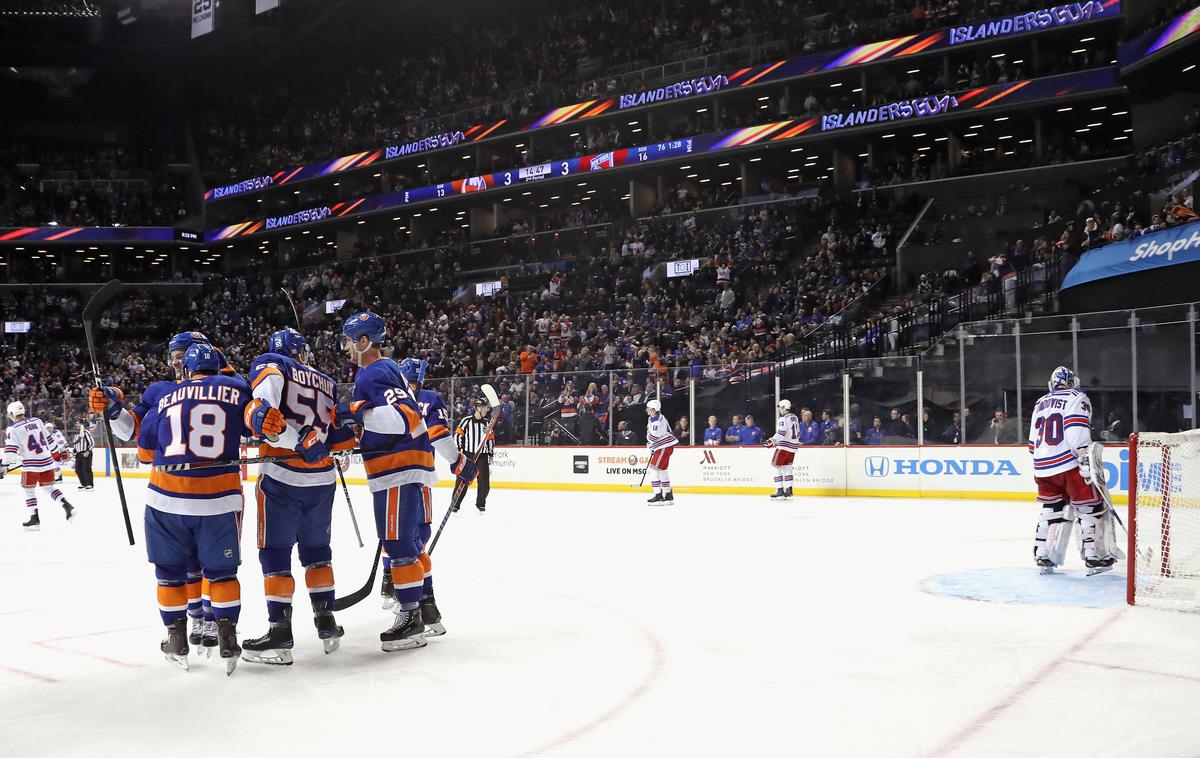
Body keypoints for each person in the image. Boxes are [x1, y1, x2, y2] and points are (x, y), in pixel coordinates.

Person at [333, 311, 475, 653]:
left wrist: (357, 414)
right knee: (408, 544)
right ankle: (423, 606)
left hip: (398, 471)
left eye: (349, 340)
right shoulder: (382, 371)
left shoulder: (376, 370)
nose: (346, 347)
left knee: (397, 545)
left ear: (364, 341)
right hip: (401, 470)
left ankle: (410, 619)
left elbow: (404, 420)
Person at [93, 330, 234, 650]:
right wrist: (113, 409)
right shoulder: (162, 389)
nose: (174, 360)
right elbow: (131, 430)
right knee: (194, 563)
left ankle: (209, 620)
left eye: (181, 354)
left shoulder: (219, 380)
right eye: (171, 355)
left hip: (206, 487)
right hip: (193, 490)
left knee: (209, 563)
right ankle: (201, 617)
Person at [132, 343, 253, 673]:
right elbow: (254, 424)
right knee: (223, 574)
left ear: (185, 370)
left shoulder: (165, 397)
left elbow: (144, 454)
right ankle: (228, 639)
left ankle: (176, 638)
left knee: (170, 575)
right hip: (219, 499)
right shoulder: (236, 388)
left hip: (168, 498)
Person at [240, 328, 357, 666]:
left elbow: (266, 413)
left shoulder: (272, 364)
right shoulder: (327, 382)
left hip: (282, 477)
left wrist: (293, 438)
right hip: (322, 480)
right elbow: (336, 438)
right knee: (317, 551)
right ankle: (326, 621)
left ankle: (280, 630)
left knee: (275, 552)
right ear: (302, 351)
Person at [382, 358, 467, 632]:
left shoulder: (389, 398)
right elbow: (439, 435)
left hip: (391, 479)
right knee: (417, 541)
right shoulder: (429, 398)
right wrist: (457, 462)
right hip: (419, 478)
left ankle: (395, 584)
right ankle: (426, 605)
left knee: (396, 537)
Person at [1028, 366, 1117, 575]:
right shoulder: (1077, 396)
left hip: (1042, 466)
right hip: (1069, 464)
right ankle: (1094, 556)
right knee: (1090, 508)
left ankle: (1044, 553)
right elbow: (1076, 430)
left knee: (1051, 509)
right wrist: (1084, 456)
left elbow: (1032, 443)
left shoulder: (1040, 402)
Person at [3, 401, 75, 530]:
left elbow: (11, 452)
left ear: (13, 414)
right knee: (49, 489)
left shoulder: (12, 429)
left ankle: (34, 519)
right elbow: (50, 440)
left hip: (31, 466)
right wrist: (57, 454)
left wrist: (4, 465)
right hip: (47, 462)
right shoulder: (37, 421)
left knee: (29, 491)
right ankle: (67, 505)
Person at [455, 397, 495, 513]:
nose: (487, 410)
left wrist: (491, 453)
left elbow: (491, 439)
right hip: (468, 455)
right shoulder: (466, 421)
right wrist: (459, 451)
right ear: (478, 408)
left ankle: (481, 504)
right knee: (462, 481)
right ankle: (455, 505)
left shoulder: (487, 423)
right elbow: (458, 435)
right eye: (484, 407)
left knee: (484, 482)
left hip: (482, 457)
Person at [644, 399, 678, 505]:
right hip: (663, 446)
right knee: (662, 470)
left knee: (654, 470)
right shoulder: (653, 418)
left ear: (654, 410)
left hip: (663, 446)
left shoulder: (657, 421)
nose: (647, 410)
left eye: (649, 409)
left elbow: (653, 437)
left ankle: (658, 495)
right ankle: (668, 495)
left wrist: (649, 438)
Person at [766, 399, 800, 500]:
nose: (779, 409)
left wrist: (772, 440)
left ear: (784, 407)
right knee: (787, 467)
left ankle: (779, 490)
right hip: (793, 447)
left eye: (780, 407)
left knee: (776, 466)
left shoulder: (782, 419)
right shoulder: (795, 417)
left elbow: (782, 432)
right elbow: (798, 432)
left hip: (783, 447)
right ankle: (789, 491)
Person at [74, 420, 94, 490]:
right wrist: (74, 451)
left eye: (78, 423)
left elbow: (91, 443)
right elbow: (76, 444)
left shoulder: (86, 432)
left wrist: (88, 451)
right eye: (76, 423)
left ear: (82, 424)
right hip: (78, 454)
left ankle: (90, 484)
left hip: (85, 453)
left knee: (86, 468)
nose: (77, 424)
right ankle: (84, 484)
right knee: (78, 469)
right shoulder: (77, 434)